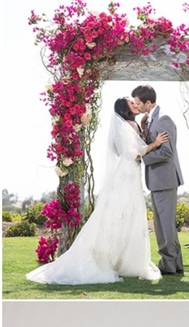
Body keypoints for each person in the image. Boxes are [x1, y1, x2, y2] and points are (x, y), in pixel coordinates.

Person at [27, 98, 167, 285]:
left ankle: (120, 259)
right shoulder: (127, 125)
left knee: (125, 216)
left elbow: (131, 147)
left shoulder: (130, 124)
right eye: (132, 104)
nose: (136, 104)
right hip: (127, 176)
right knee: (121, 215)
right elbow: (133, 153)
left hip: (129, 175)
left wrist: (142, 128)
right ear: (125, 109)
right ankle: (112, 259)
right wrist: (156, 144)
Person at [130, 85, 184, 276]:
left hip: (165, 179)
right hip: (158, 180)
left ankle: (168, 265)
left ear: (148, 103)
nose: (136, 106)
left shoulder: (163, 119)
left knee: (165, 225)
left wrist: (143, 157)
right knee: (163, 224)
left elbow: (167, 152)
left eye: (138, 103)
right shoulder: (151, 120)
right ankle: (175, 264)